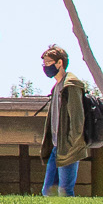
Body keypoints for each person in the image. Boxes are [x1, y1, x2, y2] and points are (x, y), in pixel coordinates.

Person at [39, 43, 86, 196]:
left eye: (48, 63)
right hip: (56, 146)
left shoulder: (71, 85)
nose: (45, 67)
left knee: (65, 190)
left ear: (60, 63)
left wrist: (71, 143)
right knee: (48, 191)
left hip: (68, 146)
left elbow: (77, 119)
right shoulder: (57, 87)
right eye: (44, 63)